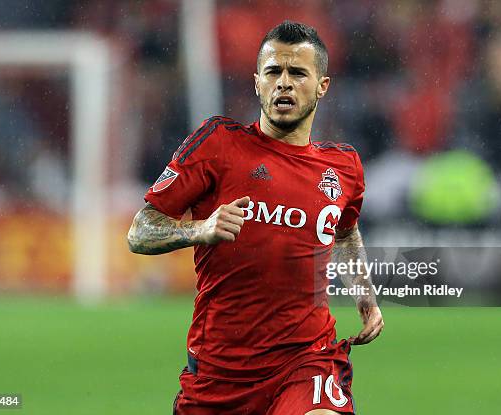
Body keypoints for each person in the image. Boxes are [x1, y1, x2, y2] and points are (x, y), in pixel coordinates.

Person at [128, 21, 384, 415]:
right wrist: (201, 228)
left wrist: (364, 294)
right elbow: (140, 231)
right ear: (257, 83)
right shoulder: (218, 142)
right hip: (220, 371)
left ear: (322, 86)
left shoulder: (343, 166)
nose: (284, 82)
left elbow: (345, 231)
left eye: (297, 73)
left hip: (305, 360)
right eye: (273, 72)